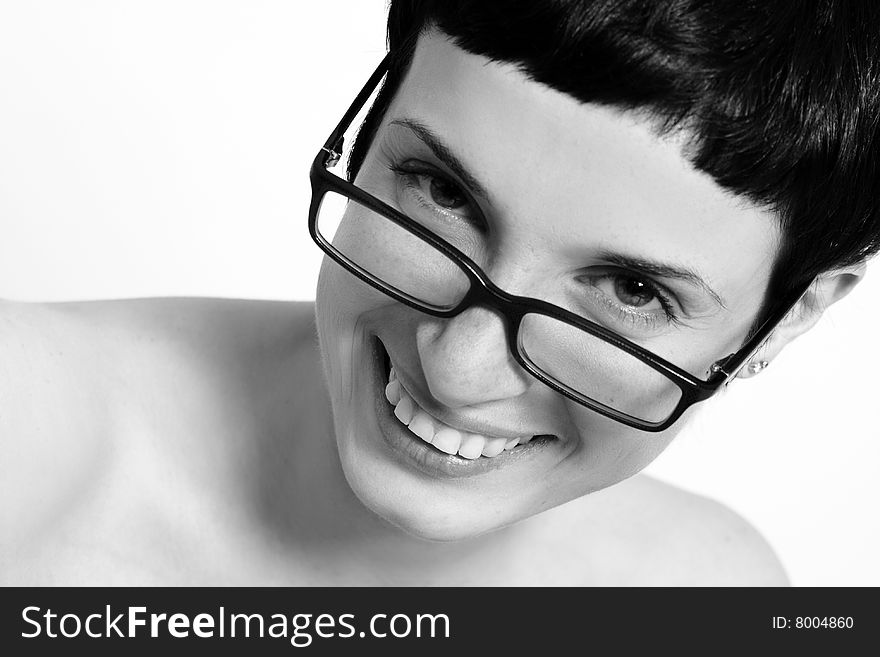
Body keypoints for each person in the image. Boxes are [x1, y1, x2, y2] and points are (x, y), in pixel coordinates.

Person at [2, 0, 878, 586]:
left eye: (631, 290)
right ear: (372, 119)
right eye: (442, 193)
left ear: (790, 314)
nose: (457, 370)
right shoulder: (27, 437)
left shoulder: (711, 588)